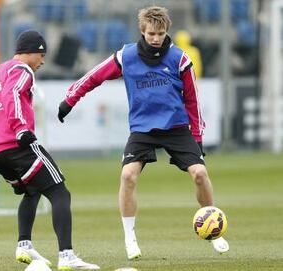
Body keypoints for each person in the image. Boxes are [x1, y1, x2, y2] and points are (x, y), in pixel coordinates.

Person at [57, 6, 229, 260]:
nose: (156, 38)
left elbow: (193, 101)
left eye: (160, 33)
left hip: (176, 127)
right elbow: (94, 77)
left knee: (200, 174)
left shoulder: (180, 59)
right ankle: (130, 238)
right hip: (142, 129)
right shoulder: (126, 56)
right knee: (128, 176)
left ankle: (214, 229)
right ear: (142, 31)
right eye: (151, 33)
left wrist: (198, 138)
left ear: (166, 31)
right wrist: (70, 99)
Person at [0, 30, 100, 270]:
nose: (43, 61)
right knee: (60, 192)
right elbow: (13, 94)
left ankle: (24, 245)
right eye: (42, 55)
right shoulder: (22, 70)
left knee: (33, 190)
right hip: (17, 144)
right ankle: (67, 256)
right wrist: (19, 129)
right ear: (34, 51)